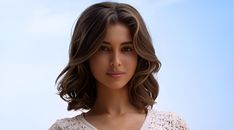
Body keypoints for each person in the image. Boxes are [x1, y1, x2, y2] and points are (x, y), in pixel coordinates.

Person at [49, 2, 189, 130]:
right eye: (104, 48)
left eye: (126, 49)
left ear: (139, 55)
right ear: (86, 54)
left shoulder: (172, 126)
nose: (116, 61)